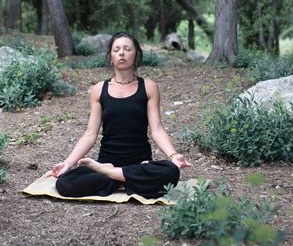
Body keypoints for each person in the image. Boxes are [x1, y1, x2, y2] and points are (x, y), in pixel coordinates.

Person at [49, 32, 191, 199]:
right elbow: (90, 134)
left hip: (139, 163)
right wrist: (67, 163)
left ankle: (113, 176)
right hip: (106, 161)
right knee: (65, 183)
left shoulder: (149, 87)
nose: (121, 53)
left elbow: (157, 130)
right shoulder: (99, 89)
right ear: (111, 57)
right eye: (116, 50)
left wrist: (173, 155)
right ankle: (125, 178)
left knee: (171, 172)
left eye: (127, 49)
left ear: (136, 55)